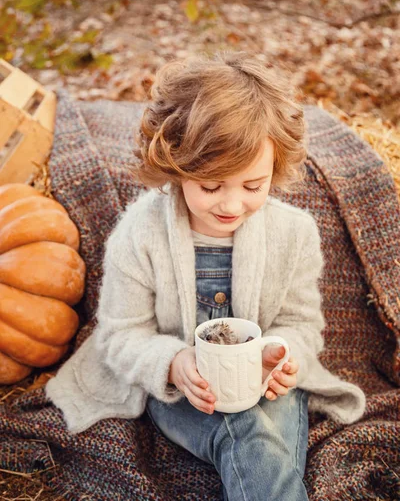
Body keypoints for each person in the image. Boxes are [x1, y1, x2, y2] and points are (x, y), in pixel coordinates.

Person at [46, 51, 366, 501]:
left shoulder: (294, 233)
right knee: (244, 429)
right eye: (211, 186)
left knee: (259, 427)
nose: (231, 205)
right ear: (176, 168)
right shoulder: (139, 234)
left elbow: (303, 325)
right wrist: (174, 364)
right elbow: (121, 337)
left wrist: (281, 353)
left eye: (253, 186)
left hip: (267, 387)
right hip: (183, 394)